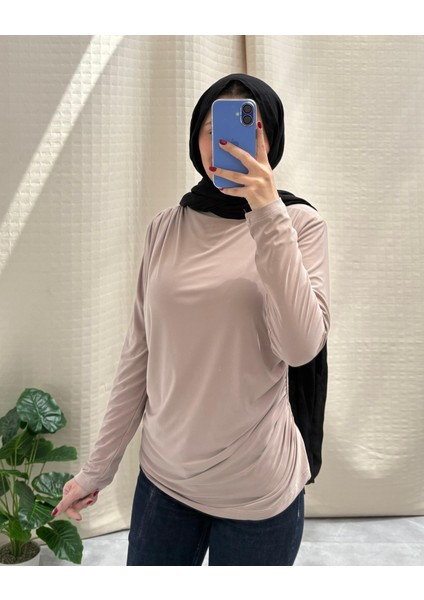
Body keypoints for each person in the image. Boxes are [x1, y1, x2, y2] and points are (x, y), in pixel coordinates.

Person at [53, 73, 330, 566]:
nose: (224, 142)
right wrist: (97, 469)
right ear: (195, 138)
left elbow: (300, 347)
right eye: (211, 128)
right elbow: (138, 357)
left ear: (271, 139)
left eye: (248, 128)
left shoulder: (300, 225)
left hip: (257, 491)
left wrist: (268, 212)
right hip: (164, 484)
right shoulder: (166, 227)